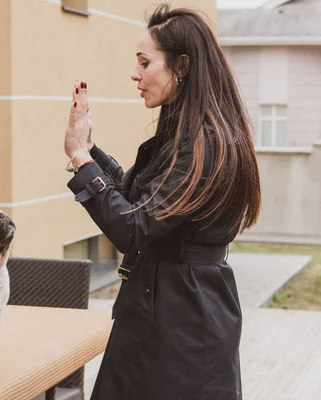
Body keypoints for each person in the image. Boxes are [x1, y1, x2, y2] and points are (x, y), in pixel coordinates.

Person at [64, 4, 261, 399]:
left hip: (182, 325)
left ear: (181, 66)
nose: (135, 74)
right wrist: (91, 152)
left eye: (144, 62)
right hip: (162, 310)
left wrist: (82, 161)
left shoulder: (207, 145)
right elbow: (147, 202)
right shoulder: (187, 136)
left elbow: (137, 227)